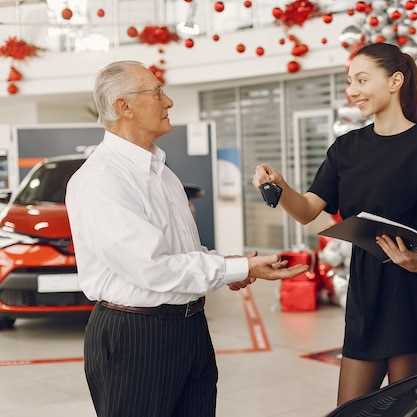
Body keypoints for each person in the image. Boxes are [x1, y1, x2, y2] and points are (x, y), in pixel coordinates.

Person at [66, 61, 307, 417]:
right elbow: (152, 268)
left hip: (189, 329)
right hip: (136, 338)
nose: (168, 102)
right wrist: (233, 266)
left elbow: (182, 254)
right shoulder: (100, 180)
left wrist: (237, 269)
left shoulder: (162, 175)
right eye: (156, 92)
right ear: (124, 106)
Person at [253, 43, 417, 405]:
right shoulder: (345, 149)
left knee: (405, 410)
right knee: (349, 409)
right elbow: (308, 209)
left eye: (362, 80)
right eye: (350, 81)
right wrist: (280, 187)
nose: (353, 90)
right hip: (365, 291)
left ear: (395, 81)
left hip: (411, 295)